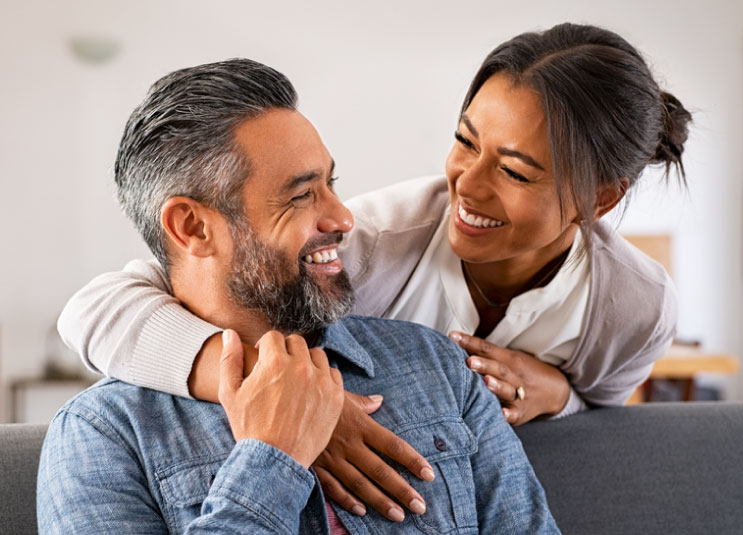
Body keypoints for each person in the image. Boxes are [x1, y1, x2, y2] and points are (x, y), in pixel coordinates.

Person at [58, 23, 690, 521]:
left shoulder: (636, 306)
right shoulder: (368, 243)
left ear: (599, 199)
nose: (465, 185)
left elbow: (603, 413)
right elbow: (103, 307)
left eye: (516, 171)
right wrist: (289, 397)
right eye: (464, 141)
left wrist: (560, 395)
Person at [38, 58, 559, 534]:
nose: (342, 218)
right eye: (301, 195)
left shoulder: (440, 367)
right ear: (193, 227)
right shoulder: (102, 436)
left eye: (331, 184)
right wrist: (271, 457)